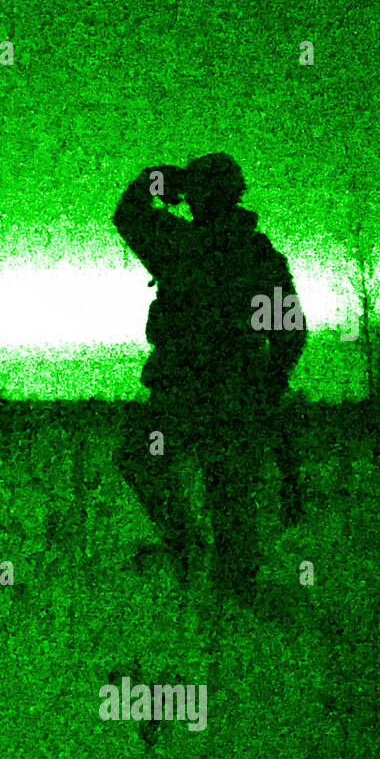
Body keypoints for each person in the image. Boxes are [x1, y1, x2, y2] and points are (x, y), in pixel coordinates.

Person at [111, 152, 307, 602]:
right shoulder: (256, 257)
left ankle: (198, 559)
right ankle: (224, 585)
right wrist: (267, 387)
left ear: (199, 197)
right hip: (228, 394)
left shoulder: (179, 244)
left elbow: (129, 213)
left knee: (183, 477)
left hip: (192, 391)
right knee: (230, 498)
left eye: (199, 192)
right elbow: (290, 333)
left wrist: (157, 180)